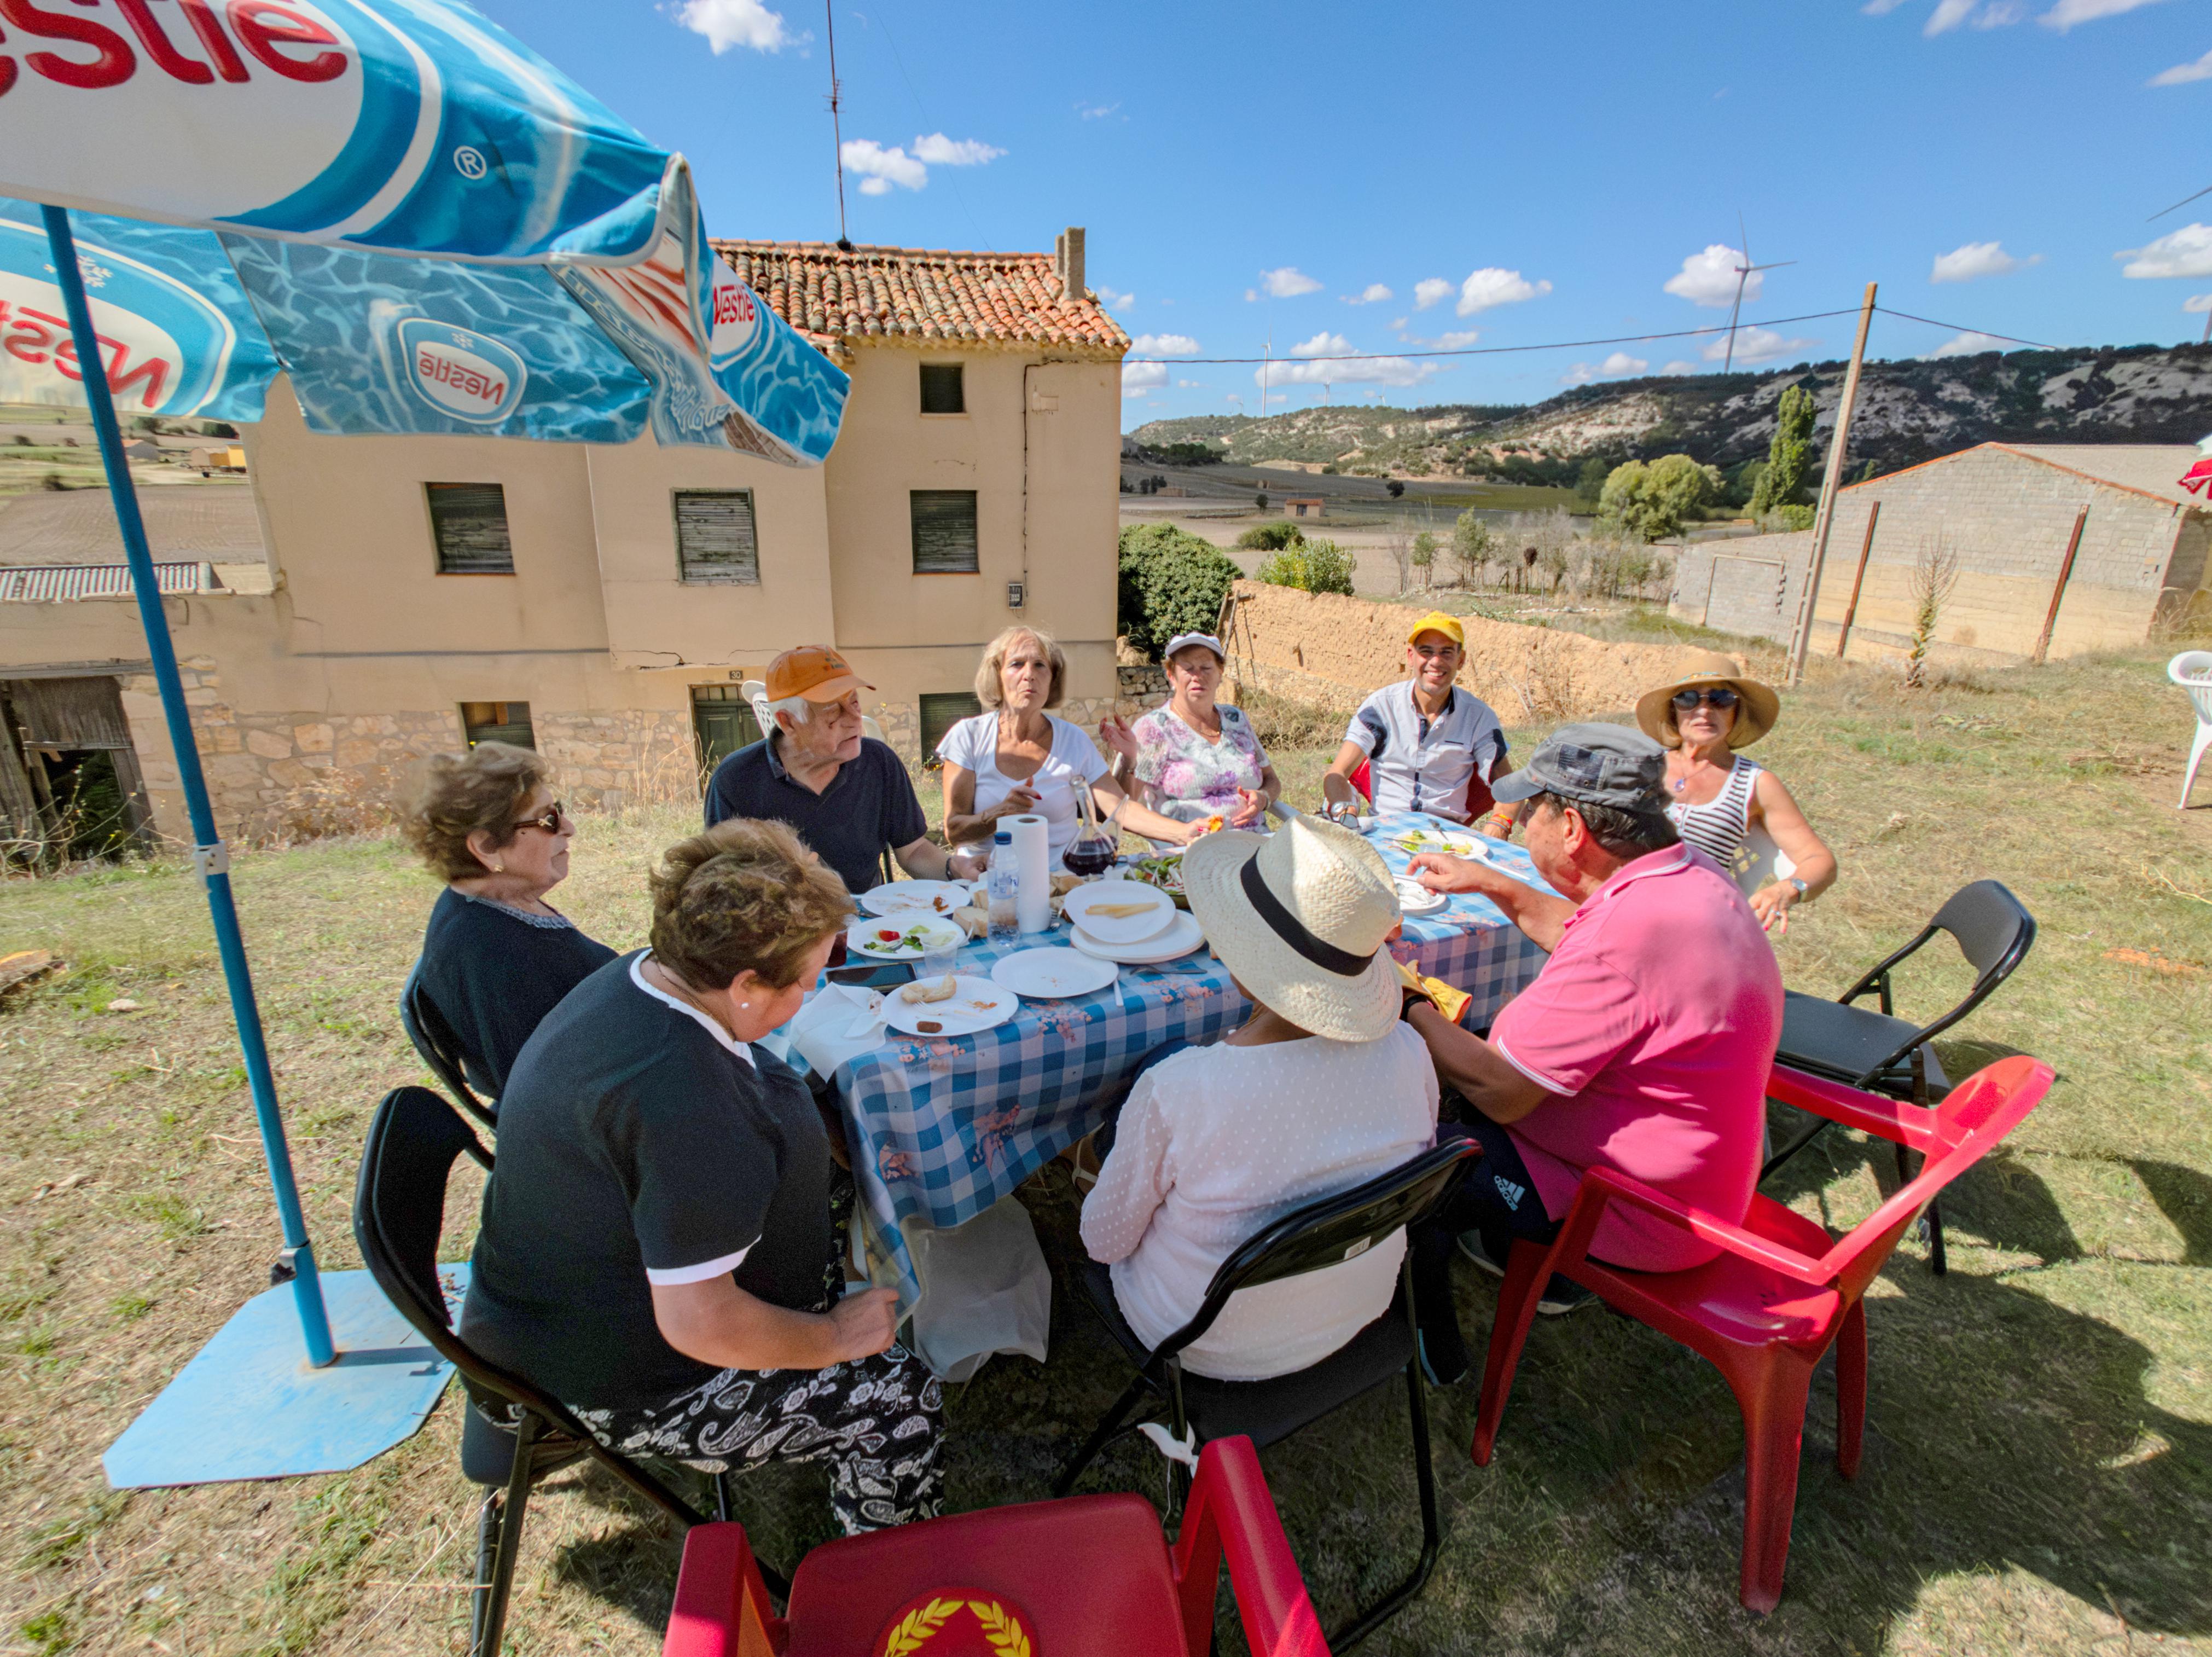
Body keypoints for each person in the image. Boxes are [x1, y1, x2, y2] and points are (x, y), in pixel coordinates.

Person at [460, 819, 942, 1533]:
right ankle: (887, 1580)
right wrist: (833, 1337)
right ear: (746, 985)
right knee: (896, 1394)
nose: (808, 998)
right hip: (613, 1376)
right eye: (807, 982)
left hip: (555, 1307)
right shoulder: (682, 1101)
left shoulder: (644, 976)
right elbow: (701, 1322)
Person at [1399, 725, 1782, 1369]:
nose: (1520, 826)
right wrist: (1495, 883)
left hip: (1630, 1211)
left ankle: (1430, 1330)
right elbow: (1583, 934)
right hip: (1699, 1182)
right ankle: (1510, 1248)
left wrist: (1407, 1003)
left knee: (1404, 1158)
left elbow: (1500, 1088)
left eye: (1529, 812)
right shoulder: (1685, 877)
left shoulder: (1626, 934)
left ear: (1571, 827)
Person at [1079, 811, 1438, 1381]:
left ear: (1242, 962)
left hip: (1204, 1338)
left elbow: (1103, 1242)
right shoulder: (1409, 1050)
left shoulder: (1180, 1089)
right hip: (1359, 1307)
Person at [398, 742, 615, 1098]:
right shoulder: (487, 953)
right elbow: (543, 1094)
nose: (569, 827)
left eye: (558, 810)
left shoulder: (496, 905)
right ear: (486, 846)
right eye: (548, 819)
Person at [705, 645, 981, 895]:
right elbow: (726, 883)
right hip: (782, 930)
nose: (854, 720)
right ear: (788, 723)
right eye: (832, 711)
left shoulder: (879, 762)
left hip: (866, 920)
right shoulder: (735, 781)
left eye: (854, 702)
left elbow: (913, 850)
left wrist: (954, 869)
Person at [939, 625, 1198, 862]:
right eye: (1017, 664)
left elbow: (1120, 809)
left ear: (1052, 680)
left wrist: (1185, 833)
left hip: (1061, 881)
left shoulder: (1074, 740)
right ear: (997, 675)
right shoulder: (968, 737)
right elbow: (955, 832)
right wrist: (1000, 813)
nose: (1029, 675)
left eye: (1040, 665)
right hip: (988, 881)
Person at [1636, 651, 1837, 936]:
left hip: (1697, 925)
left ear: (1736, 712)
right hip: (1625, 907)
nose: (1704, 711)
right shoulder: (1641, 765)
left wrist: (1788, 889)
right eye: (1689, 699)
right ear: (1674, 711)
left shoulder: (1755, 783)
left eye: (1720, 699)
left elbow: (1820, 861)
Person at [1325, 611, 1514, 833]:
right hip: (1384, 830)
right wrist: (1345, 811)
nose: (1436, 662)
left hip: (1448, 836)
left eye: (1446, 653)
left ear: (1461, 660)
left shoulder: (1478, 717)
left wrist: (1500, 825)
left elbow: (1509, 786)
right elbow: (1337, 774)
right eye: (1426, 651)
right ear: (1411, 656)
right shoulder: (1381, 708)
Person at [1098, 630, 1281, 832]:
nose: (1197, 677)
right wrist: (1129, 759)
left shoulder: (1236, 719)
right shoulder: (1154, 728)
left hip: (1257, 844)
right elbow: (1124, 806)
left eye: (1206, 668)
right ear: (1171, 676)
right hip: (1190, 848)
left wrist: (1263, 798)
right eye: (1188, 669)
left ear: (1220, 673)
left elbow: (1271, 780)